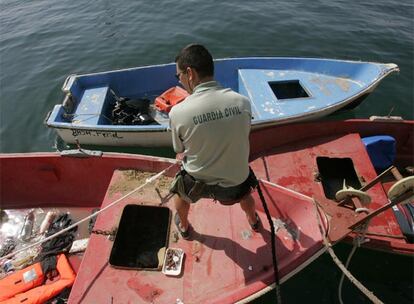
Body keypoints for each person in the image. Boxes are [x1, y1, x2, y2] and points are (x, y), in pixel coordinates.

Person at [169, 44, 260, 239]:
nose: (180, 81)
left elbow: (179, 149)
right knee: (246, 195)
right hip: (236, 183)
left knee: (179, 193)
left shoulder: (177, 112)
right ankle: (254, 220)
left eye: (179, 76)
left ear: (190, 73)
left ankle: (184, 227)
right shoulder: (242, 102)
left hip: (198, 184)